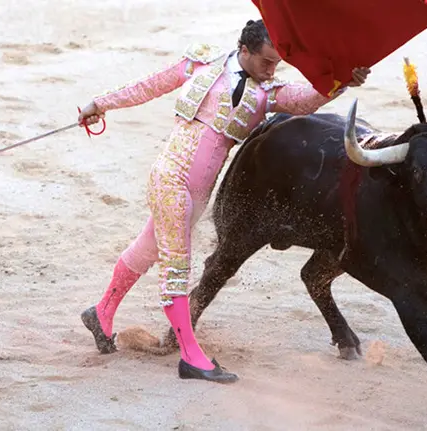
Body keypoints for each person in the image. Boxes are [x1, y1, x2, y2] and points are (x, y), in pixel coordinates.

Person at [77, 19, 371, 384]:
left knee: (146, 250)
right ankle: (191, 357)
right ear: (244, 50)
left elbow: (307, 100)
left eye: (276, 63)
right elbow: (148, 87)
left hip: (198, 194)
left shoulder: (268, 91)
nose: (271, 69)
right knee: (176, 268)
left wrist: (341, 82)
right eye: (265, 61)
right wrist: (98, 104)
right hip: (170, 177)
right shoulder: (202, 65)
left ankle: (101, 312)